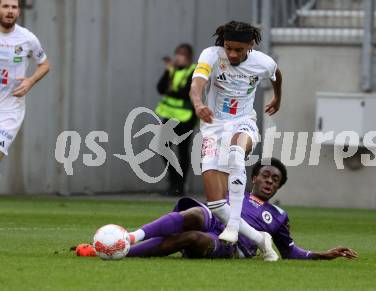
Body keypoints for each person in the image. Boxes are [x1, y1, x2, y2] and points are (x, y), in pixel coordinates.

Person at [76, 158, 358, 261]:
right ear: (254, 177)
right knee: (194, 214)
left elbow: (290, 251)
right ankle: (131, 237)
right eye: (266, 176)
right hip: (215, 220)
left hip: (230, 244)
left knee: (191, 239)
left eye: (276, 180)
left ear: (279, 186)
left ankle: (121, 250)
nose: (270, 181)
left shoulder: (279, 217)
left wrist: (322, 255)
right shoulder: (236, 194)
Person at [189, 21, 283, 261]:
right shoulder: (211, 55)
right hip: (213, 127)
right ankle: (261, 239)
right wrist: (199, 104)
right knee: (217, 205)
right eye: (228, 48)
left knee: (235, 150)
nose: (232, 54)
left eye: (238, 50)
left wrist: (277, 97)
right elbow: (196, 84)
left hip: (244, 121)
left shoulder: (262, 62)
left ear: (250, 46)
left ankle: (233, 226)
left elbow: (276, 74)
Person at [0, 0, 50, 161]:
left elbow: (45, 65)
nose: (10, 11)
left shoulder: (27, 38)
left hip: (10, 110)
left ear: (19, 11)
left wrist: (30, 81)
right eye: (5, 6)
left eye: (14, 7)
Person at [155, 44, 197, 196]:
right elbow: (160, 88)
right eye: (177, 53)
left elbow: (185, 92)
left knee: (182, 151)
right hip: (170, 116)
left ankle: (179, 186)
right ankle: (173, 182)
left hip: (186, 117)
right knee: (162, 147)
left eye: (183, 54)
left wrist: (172, 89)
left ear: (189, 57)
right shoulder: (172, 70)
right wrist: (168, 71)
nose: (179, 57)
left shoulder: (193, 71)